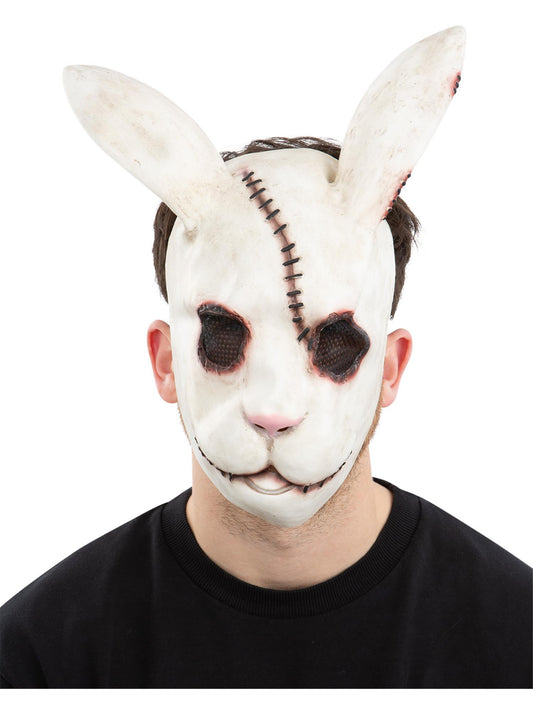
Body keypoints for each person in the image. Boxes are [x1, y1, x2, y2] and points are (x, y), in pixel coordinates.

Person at [1, 27, 531, 689]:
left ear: (391, 369)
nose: (273, 409)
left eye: (336, 348)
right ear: (165, 360)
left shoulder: (515, 644)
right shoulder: (39, 660)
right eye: (223, 340)